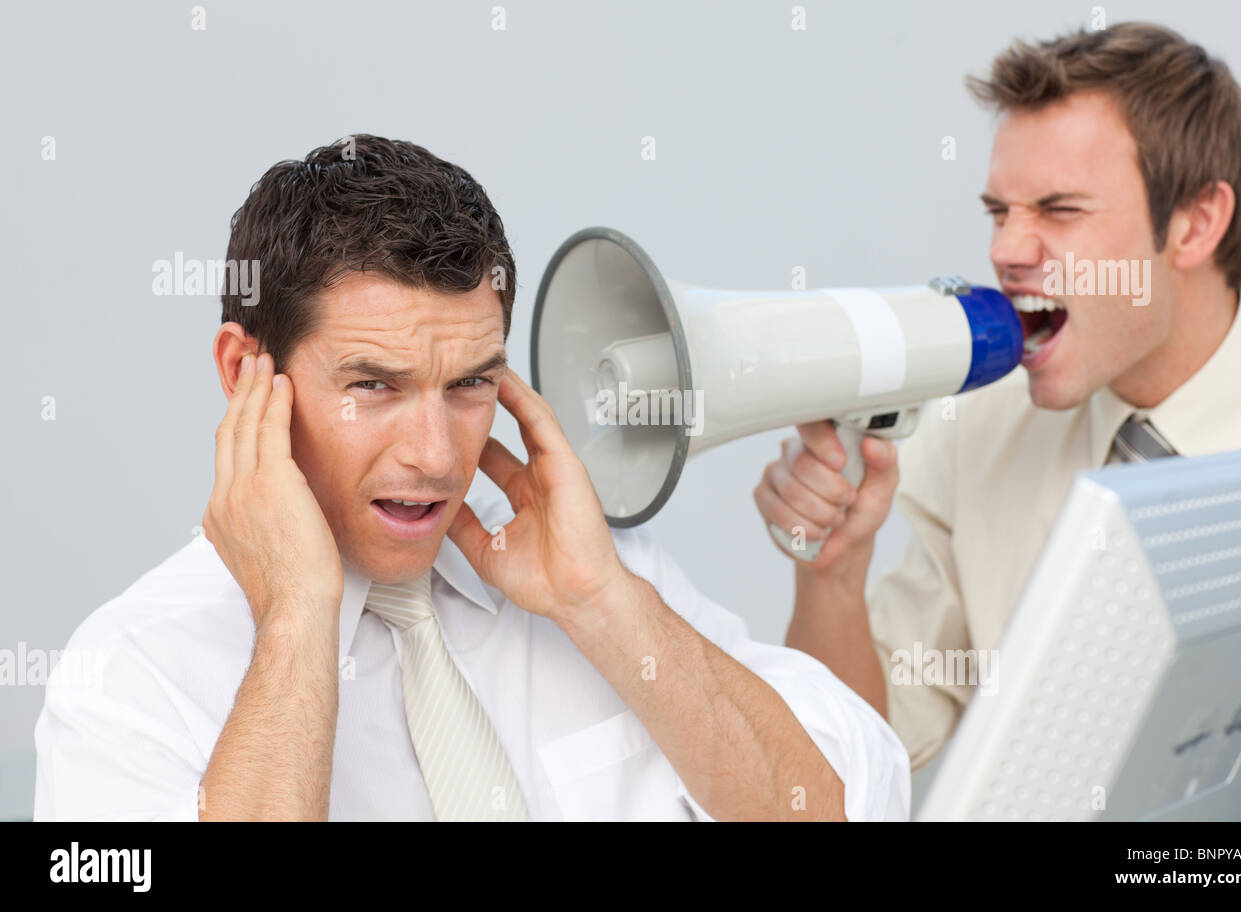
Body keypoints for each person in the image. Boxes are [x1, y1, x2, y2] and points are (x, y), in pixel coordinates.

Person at [33, 134, 909, 822]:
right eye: (373, 385)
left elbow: (838, 808)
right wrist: (299, 621)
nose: (437, 454)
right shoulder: (130, 674)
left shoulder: (599, 578)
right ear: (243, 373)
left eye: (469, 384)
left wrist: (602, 602)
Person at [752, 22, 1241, 820]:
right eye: (998, 212)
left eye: (1060, 209)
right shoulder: (975, 433)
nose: (1007, 249)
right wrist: (832, 573)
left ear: (1195, 222)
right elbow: (847, 776)